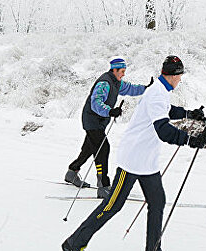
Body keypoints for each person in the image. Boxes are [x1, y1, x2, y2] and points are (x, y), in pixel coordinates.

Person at [61, 55, 206, 251]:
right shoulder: (157, 93)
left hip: (147, 162)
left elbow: (166, 109)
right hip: (132, 160)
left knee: (157, 203)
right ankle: (74, 244)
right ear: (174, 75)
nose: (180, 80)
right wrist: (189, 139)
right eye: (180, 76)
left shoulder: (159, 89)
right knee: (112, 206)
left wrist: (188, 113)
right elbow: (163, 130)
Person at [64, 57, 152, 198]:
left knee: (89, 149)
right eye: (122, 71)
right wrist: (110, 111)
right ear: (114, 70)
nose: (123, 74)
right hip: (92, 121)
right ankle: (103, 186)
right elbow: (96, 103)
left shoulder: (116, 82)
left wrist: (146, 88)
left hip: (99, 121)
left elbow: (130, 88)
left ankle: (72, 172)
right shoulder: (105, 83)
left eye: (124, 71)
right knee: (103, 149)